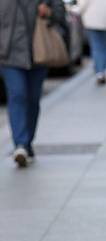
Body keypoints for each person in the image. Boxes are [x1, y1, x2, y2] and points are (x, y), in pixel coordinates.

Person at [0, 0, 66, 168]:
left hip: (38, 53)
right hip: (9, 53)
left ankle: (27, 142)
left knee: (32, 99)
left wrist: (49, 13)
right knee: (17, 94)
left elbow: (60, 12)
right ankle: (20, 144)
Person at [76, 0, 106, 85]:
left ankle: (99, 72)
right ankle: (102, 70)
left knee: (96, 46)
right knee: (105, 47)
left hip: (92, 19)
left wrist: (77, 11)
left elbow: (83, 4)